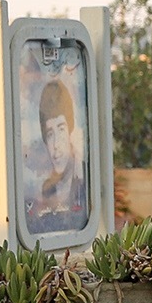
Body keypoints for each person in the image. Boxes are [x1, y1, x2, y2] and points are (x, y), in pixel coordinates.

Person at [24, 78, 88, 232]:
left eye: (61, 129)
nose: (56, 145)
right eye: (50, 134)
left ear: (70, 130)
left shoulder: (86, 178)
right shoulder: (47, 189)